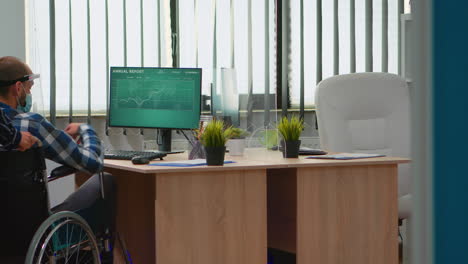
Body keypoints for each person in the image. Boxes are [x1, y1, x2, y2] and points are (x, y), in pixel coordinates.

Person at [0, 56, 115, 261]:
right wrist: (86, 131)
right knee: (105, 180)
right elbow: (92, 162)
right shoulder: (30, 124)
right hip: (30, 231)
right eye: (29, 87)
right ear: (18, 88)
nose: (30, 93)